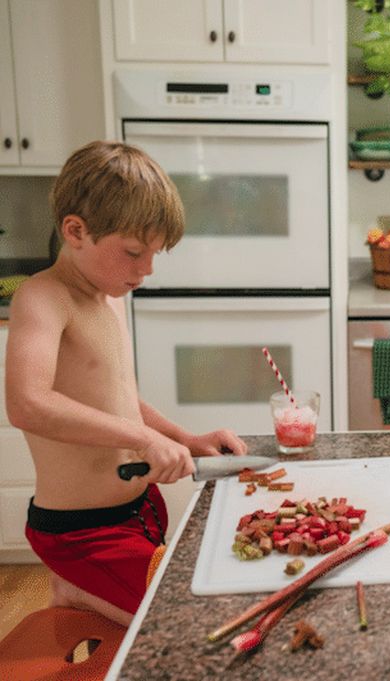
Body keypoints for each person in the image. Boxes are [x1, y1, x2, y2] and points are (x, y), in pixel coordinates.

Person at [4, 140, 248, 626]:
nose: (147, 270)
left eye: (154, 254)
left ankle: (87, 595)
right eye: (134, 252)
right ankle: (78, 589)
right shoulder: (43, 298)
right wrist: (143, 438)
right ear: (76, 231)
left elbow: (118, 399)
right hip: (82, 532)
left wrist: (184, 439)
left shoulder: (108, 297)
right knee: (192, 626)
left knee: (190, 607)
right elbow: (27, 405)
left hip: (139, 510)